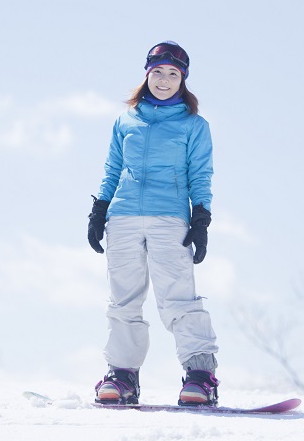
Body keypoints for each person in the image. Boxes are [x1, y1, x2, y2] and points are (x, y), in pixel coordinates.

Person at [87, 41, 219, 406]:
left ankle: (200, 375)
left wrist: (201, 218)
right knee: (123, 300)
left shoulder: (194, 125)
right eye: (157, 72)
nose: (164, 80)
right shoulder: (125, 120)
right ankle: (122, 375)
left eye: (173, 74)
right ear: (147, 75)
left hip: (169, 217)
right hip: (124, 217)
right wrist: (99, 210)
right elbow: (112, 168)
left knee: (178, 299)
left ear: (183, 79)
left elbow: (201, 174)